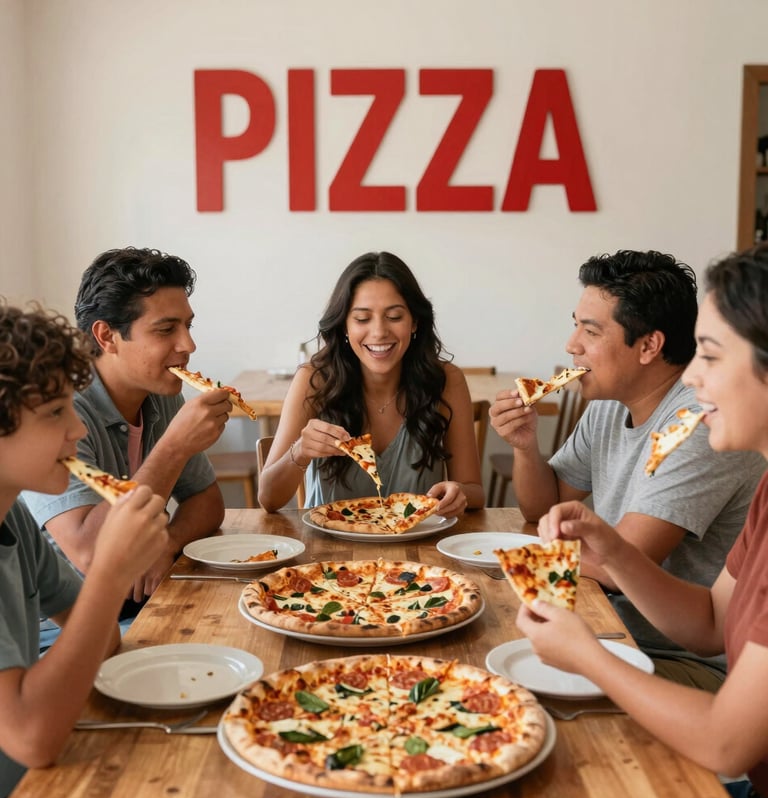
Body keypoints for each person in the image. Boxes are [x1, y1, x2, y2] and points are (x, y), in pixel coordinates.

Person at [517, 243, 768, 798]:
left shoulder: (697, 428)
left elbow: (726, 742)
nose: (694, 377)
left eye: (709, 355)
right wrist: (613, 551)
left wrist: (590, 657)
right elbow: (709, 622)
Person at [490, 249, 765, 691]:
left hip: (679, 660)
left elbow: (622, 563)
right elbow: (542, 505)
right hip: (617, 630)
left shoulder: (701, 422)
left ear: (649, 346)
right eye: (575, 323)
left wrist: (505, 562)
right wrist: (525, 446)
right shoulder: (608, 402)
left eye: (590, 330)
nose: (571, 344)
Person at [0, 301, 169, 798]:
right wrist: (111, 572)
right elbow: (32, 739)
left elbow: (104, 644)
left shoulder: (14, 521)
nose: (77, 430)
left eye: (72, 406)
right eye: (55, 413)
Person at [23, 247, 230, 623]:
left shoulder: (161, 393)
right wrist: (174, 447)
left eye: (188, 326)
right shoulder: (59, 411)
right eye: (166, 329)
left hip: (146, 602)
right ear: (107, 336)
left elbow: (207, 502)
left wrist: (164, 542)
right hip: (60, 629)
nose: (188, 346)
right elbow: (89, 550)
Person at [258, 251, 484, 515]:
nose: (378, 332)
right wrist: (300, 453)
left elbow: (475, 491)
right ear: (344, 326)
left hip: (420, 551)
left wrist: (459, 493)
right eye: (362, 319)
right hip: (329, 550)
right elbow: (269, 499)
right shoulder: (314, 380)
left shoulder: (447, 381)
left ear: (415, 322)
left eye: (395, 316)